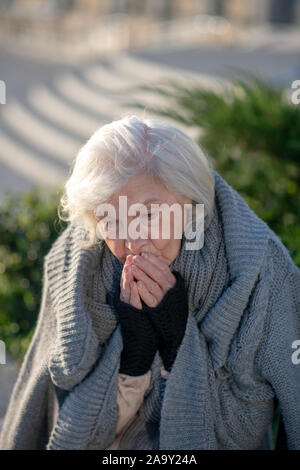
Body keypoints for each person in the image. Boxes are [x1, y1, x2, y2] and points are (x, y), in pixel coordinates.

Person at [0, 114, 299, 450]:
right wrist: (134, 357)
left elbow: (251, 427)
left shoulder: (259, 265)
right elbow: (59, 416)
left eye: (148, 214)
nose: (132, 242)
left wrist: (177, 343)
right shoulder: (76, 262)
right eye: (111, 220)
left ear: (190, 201)